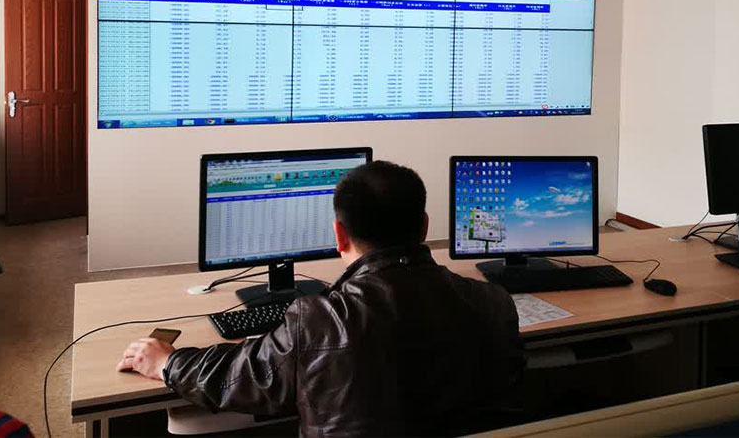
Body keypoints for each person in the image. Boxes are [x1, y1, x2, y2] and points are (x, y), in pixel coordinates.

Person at [118, 160, 523, 436]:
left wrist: (168, 361)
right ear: (424, 226)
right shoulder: (494, 302)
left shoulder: (319, 318)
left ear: (339, 235)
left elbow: (239, 378)